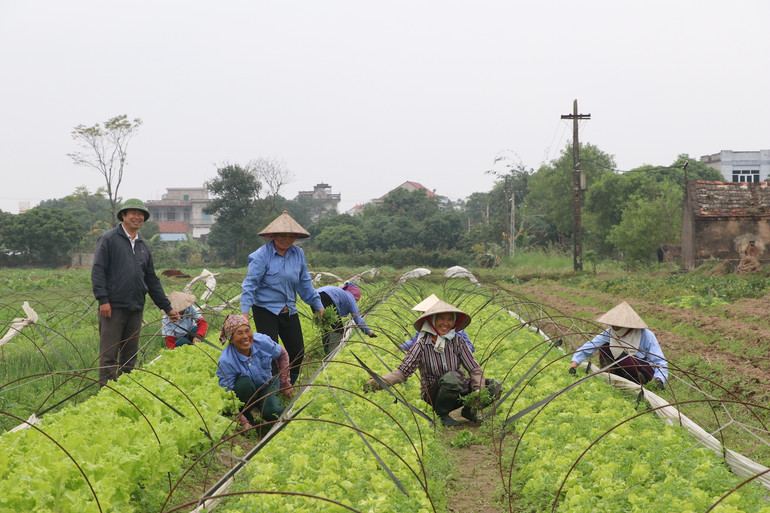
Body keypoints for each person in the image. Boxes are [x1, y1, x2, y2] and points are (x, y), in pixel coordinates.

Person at [365, 300, 500, 427]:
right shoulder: (422, 345)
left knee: (494, 386)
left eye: (449, 319)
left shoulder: (458, 341)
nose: (445, 323)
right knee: (452, 377)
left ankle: (469, 410)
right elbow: (402, 372)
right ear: (432, 321)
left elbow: (474, 368)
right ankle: (442, 414)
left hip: (459, 388)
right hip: (435, 394)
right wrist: (377, 382)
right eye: (441, 319)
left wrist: (478, 389)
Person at [91, 198, 180, 385]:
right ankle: (106, 394)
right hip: (113, 307)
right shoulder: (109, 239)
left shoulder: (143, 246)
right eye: (133, 213)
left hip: (135, 307)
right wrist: (103, 300)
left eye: (141, 214)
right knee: (109, 355)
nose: (137, 217)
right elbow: (98, 270)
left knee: (130, 356)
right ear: (124, 215)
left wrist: (167, 307)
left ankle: (126, 391)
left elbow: (151, 279)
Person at [240, 211, 324, 384]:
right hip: (265, 309)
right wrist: (244, 313)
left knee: (297, 352)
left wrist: (318, 305)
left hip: (289, 309)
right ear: (273, 235)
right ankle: (273, 389)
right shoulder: (261, 256)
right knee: (269, 353)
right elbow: (250, 284)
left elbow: (305, 282)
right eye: (282, 235)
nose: (286, 239)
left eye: (290, 236)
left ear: (295, 236)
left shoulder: (298, 254)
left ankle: (289, 384)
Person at [216, 314, 294, 432]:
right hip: (246, 394)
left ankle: (264, 406)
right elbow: (228, 395)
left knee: (275, 412)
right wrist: (243, 421)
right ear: (231, 339)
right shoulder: (226, 361)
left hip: (267, 384)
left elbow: (282, 354)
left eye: (247, 331)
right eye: (239, 333)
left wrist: (285, 383)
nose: (245, 336)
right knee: (244, 384)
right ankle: (247, 413)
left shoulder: (262, 341)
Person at [569, 301, 668, 389]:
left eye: (618, 326)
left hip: (642, 370)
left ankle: (637, 384)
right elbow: (591, 345)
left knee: (626, 360)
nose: (615, 328)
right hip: (622, 367)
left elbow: (659, 360)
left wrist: (659, 379)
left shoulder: (646, 335)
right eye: (613, 325)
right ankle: (611, 378)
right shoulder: (609, 333)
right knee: (605, 347)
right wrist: (574, 365)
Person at [398, 294, 475, 353]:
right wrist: (402, 347)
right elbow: (415, 340)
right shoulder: (425, 330)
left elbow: (470, 348)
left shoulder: (456, 331)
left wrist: (454, 347)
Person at [316, 282, 376, 354]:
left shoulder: (342, 293)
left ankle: (326, 352)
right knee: (339, 329)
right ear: (356, 297)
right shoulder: (350, 297)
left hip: (314, 296)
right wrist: (369, 333)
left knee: (325, 326)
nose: (355, 302)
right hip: (326, 297)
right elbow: (357, 319)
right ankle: (331, 354)